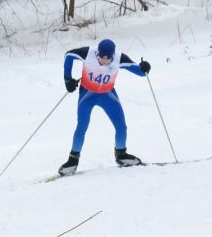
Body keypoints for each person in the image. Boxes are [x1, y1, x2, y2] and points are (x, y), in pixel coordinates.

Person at [58, 38, 151, 175]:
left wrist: (145, 67)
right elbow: (68, 56)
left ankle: (121, 155)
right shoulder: (88, 53)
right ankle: (73, 160)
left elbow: (141, 72)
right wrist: (67, 79)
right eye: (102, 57)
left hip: (108, 95)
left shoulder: (119, 58)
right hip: (87, 95)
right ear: (98, 53)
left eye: (108, 58)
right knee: (82, 126)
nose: (105, 60)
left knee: (121, 126)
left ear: (112, 55)